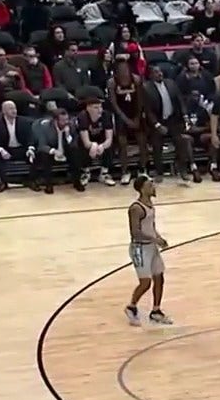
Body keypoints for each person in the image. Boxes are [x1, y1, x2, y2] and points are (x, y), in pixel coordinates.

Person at [124, 176, 173, 327]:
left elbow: (151, 227)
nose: (153, 187)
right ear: (142, 188)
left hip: (151, 247)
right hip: (139, 248)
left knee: (159, 277)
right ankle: (131, 307)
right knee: (145, 282)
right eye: (150, 185)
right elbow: (135, 232)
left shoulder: (150, 205)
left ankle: (156, 311)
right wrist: (154, 239)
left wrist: (159, 238)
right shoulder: (136, 208)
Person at [143, 65, 198, 184]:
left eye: (161, 71)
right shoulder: (146, 88)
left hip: (173, 119)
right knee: (157, 145)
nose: (160, 74)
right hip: (157, 121)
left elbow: (180, 101)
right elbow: (148, 111)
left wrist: (185, 116)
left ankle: (183, 170)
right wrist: (157, 125)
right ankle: (159, 172)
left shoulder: (171, 83)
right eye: (156, 72)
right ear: (151, 75)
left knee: (181, 142)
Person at [108, 61, 147, 183]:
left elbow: (141, 100)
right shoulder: (112, 82)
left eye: (126, 68)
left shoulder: (136, 79)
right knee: (122, 143)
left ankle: (143, 168)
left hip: (135, 113)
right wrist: (125, 119)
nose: (124, 71)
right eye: (121, 69)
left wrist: (137, 117)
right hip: (121, 115)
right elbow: (114, 104)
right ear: (117, 71)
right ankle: (125, 171)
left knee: (142, 141)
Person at [31, 108, 76, 195]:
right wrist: (54, 151)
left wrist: (67, 136)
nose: (66, 122)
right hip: (50, 149)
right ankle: (48, 184)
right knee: (44, 156)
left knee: (75, 152)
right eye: (63, 120)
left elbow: (73, 144)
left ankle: (76, 181)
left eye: (67, 119)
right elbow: (42, 146)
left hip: (65, 148)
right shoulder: (45, 127)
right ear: (55, 120)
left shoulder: (70, 126)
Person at [0, 100, 33, 192]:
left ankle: (32, 181)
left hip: (21, 149)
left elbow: (30, 137)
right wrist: (1, 150)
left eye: (14, 108)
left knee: (35, 153)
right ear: (4, 111)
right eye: (11, 109)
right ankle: (3, 182)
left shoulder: (24, 121)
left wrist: (30, 148)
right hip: (7, 149)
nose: (14, 111)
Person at [77, 98, 115, 188]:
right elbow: (86, 141)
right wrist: (93, 145)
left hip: (101, 140)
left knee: (110, 146)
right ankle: (85, 172)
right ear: (88, 108)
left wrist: (102, 146)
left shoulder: (106, 115)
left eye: (100, 107)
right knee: (80, 146)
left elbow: (109, 139)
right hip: (87, 140)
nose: (99, 110)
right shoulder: (83, 116)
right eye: (96, 107)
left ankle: (104, 173)